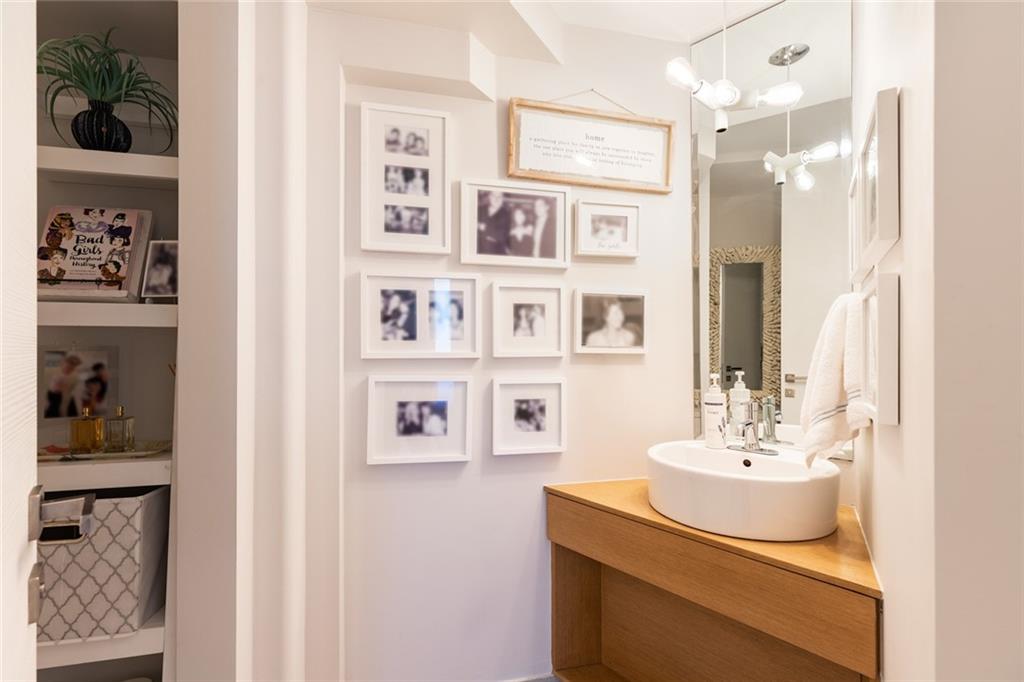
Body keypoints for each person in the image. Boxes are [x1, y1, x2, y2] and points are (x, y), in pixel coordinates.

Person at [44, 353, 82, 418]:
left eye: (74, 365)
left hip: (65, 399)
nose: (71, 366)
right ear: (63, 362)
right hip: (53, 397)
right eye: (70, 363)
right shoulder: (51, 371)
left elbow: (71, 391)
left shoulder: (75, 377)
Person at [477, 191, 509, 255]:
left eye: (499, 197)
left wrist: (482, 227)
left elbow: (500, 236)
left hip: (496, 252)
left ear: (503, 199)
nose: (496, 199)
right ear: (490, 197)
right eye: (494, 196)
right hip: (479, 249)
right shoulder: (480, 209)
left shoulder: (506, 214)